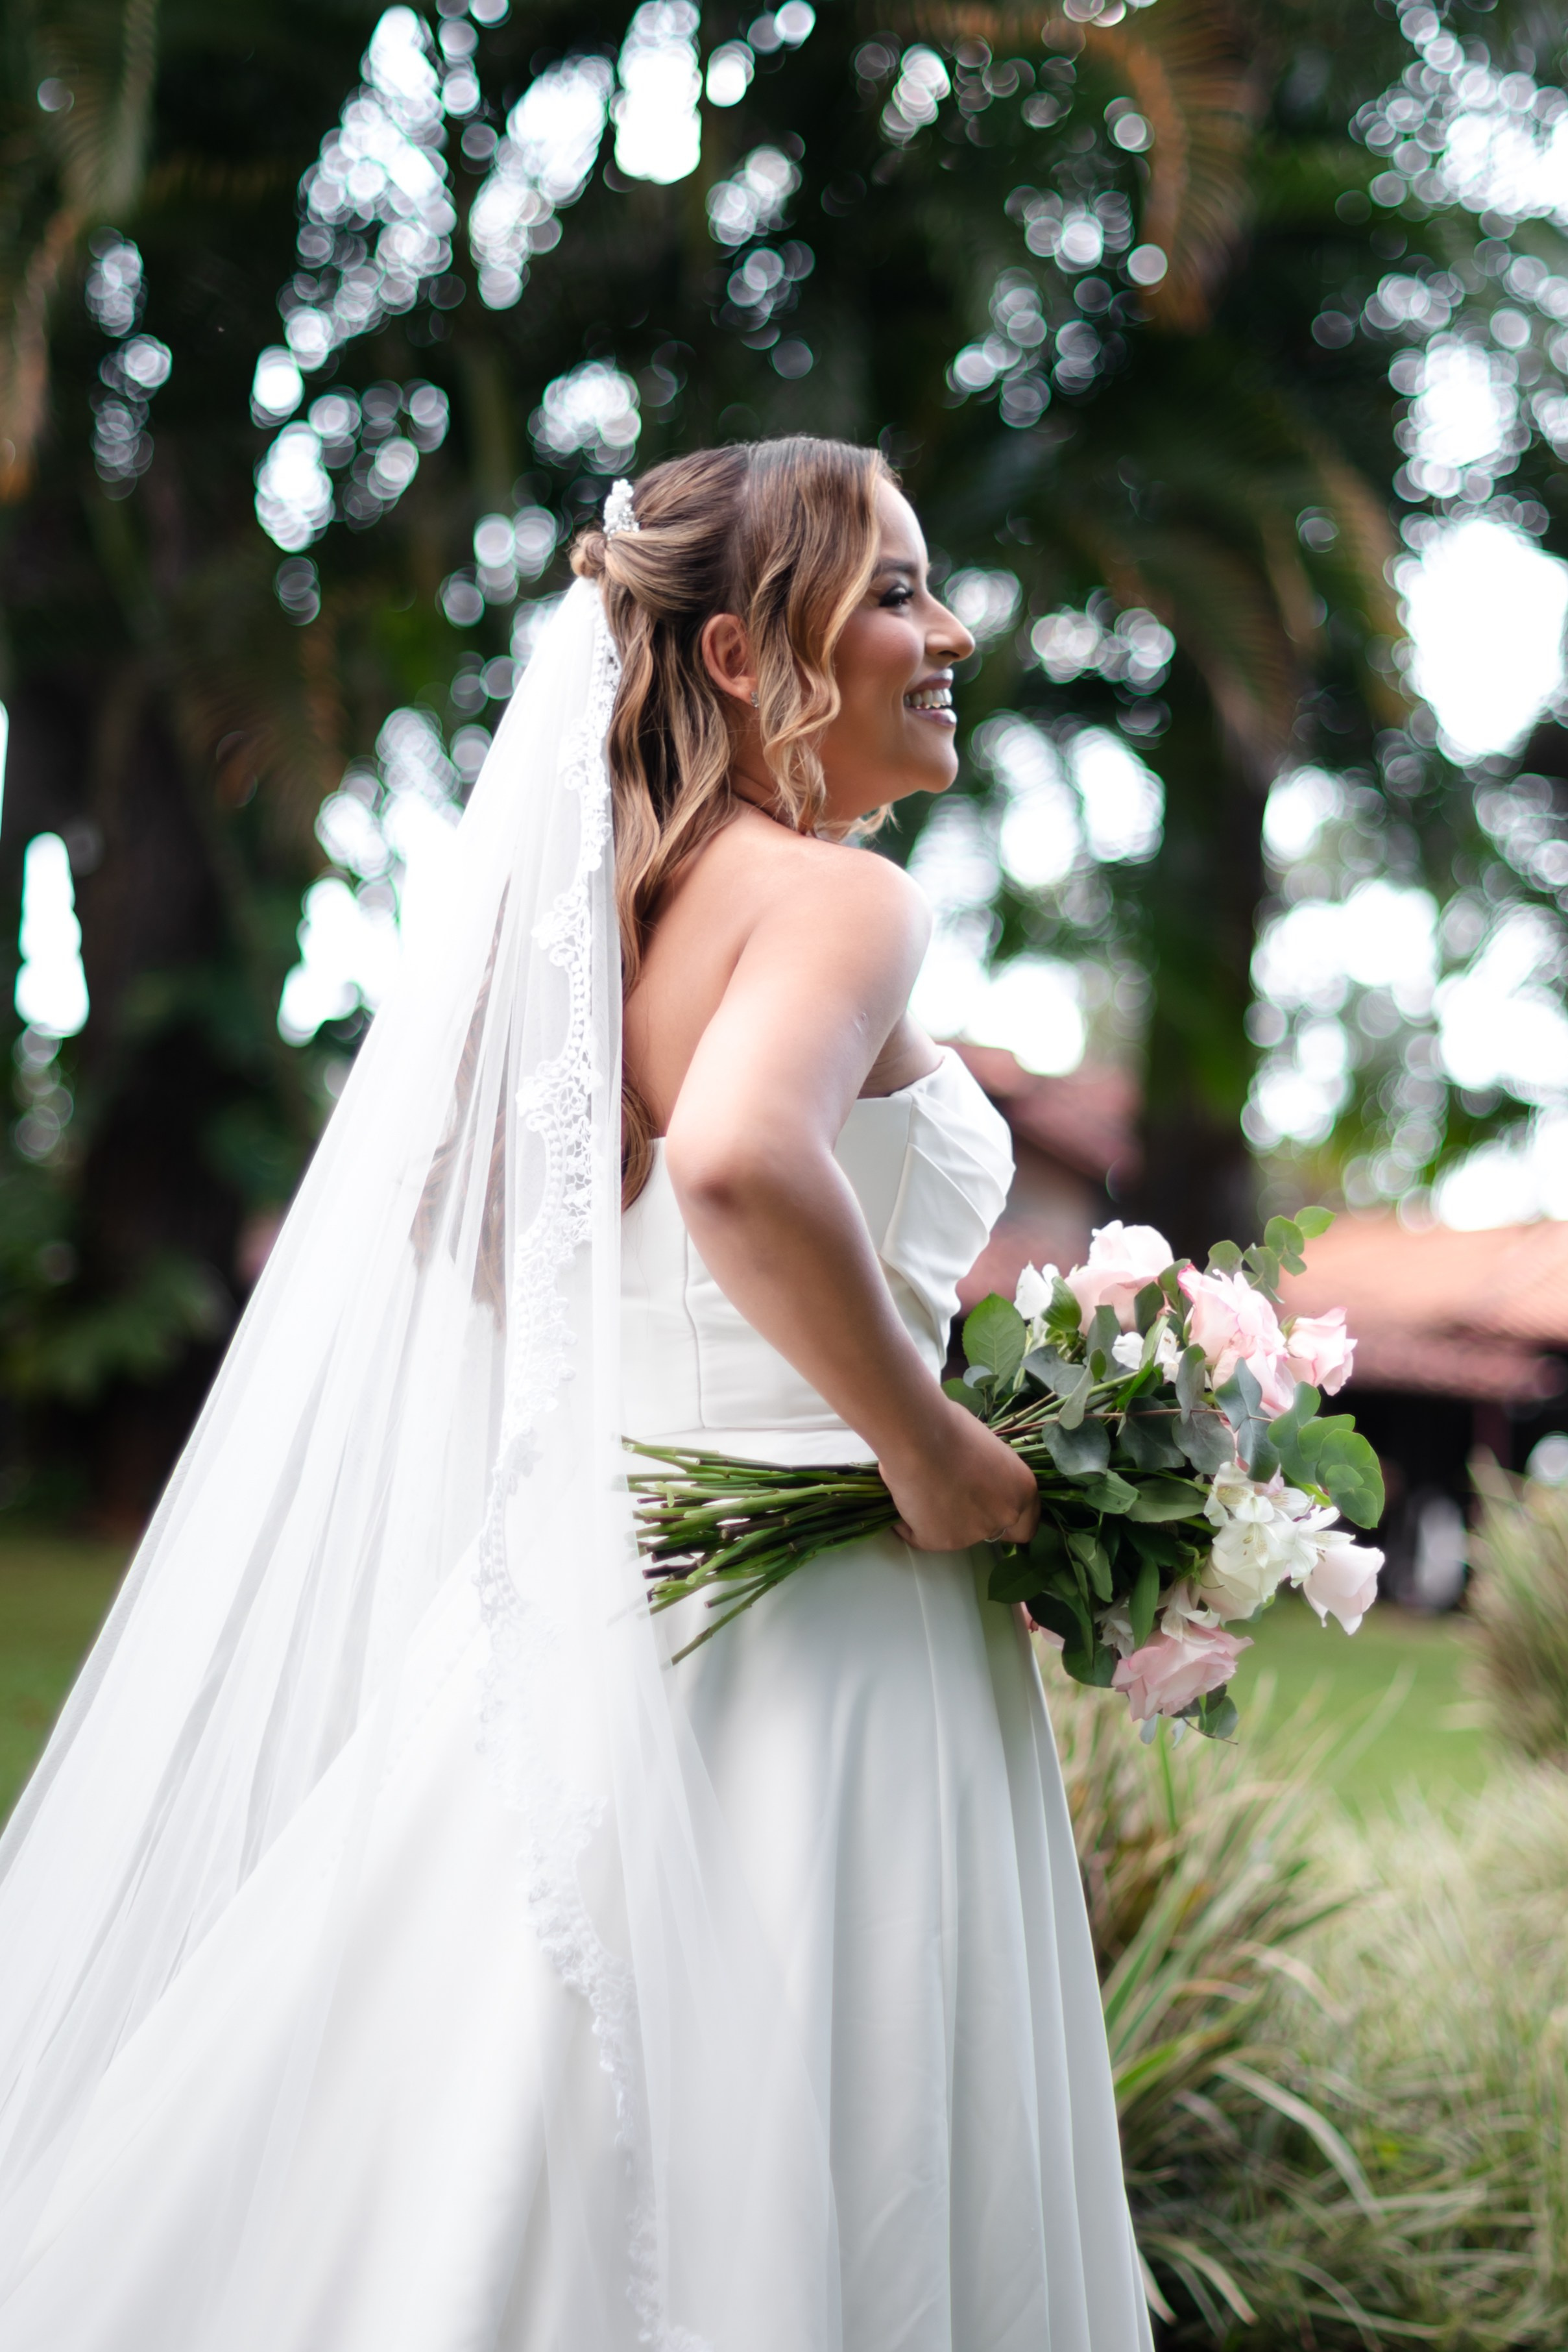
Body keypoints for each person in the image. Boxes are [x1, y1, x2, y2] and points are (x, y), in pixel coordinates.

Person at [0, 437, 1152, 2351]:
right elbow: (736, 1167)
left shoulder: (602, 930)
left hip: (598, 1607)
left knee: (481, 2133)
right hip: (821, 1638)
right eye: (889, 591)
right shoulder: (841, 906)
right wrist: (929, 1441)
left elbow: (489, 1247)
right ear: (730, 656)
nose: (944, 631)